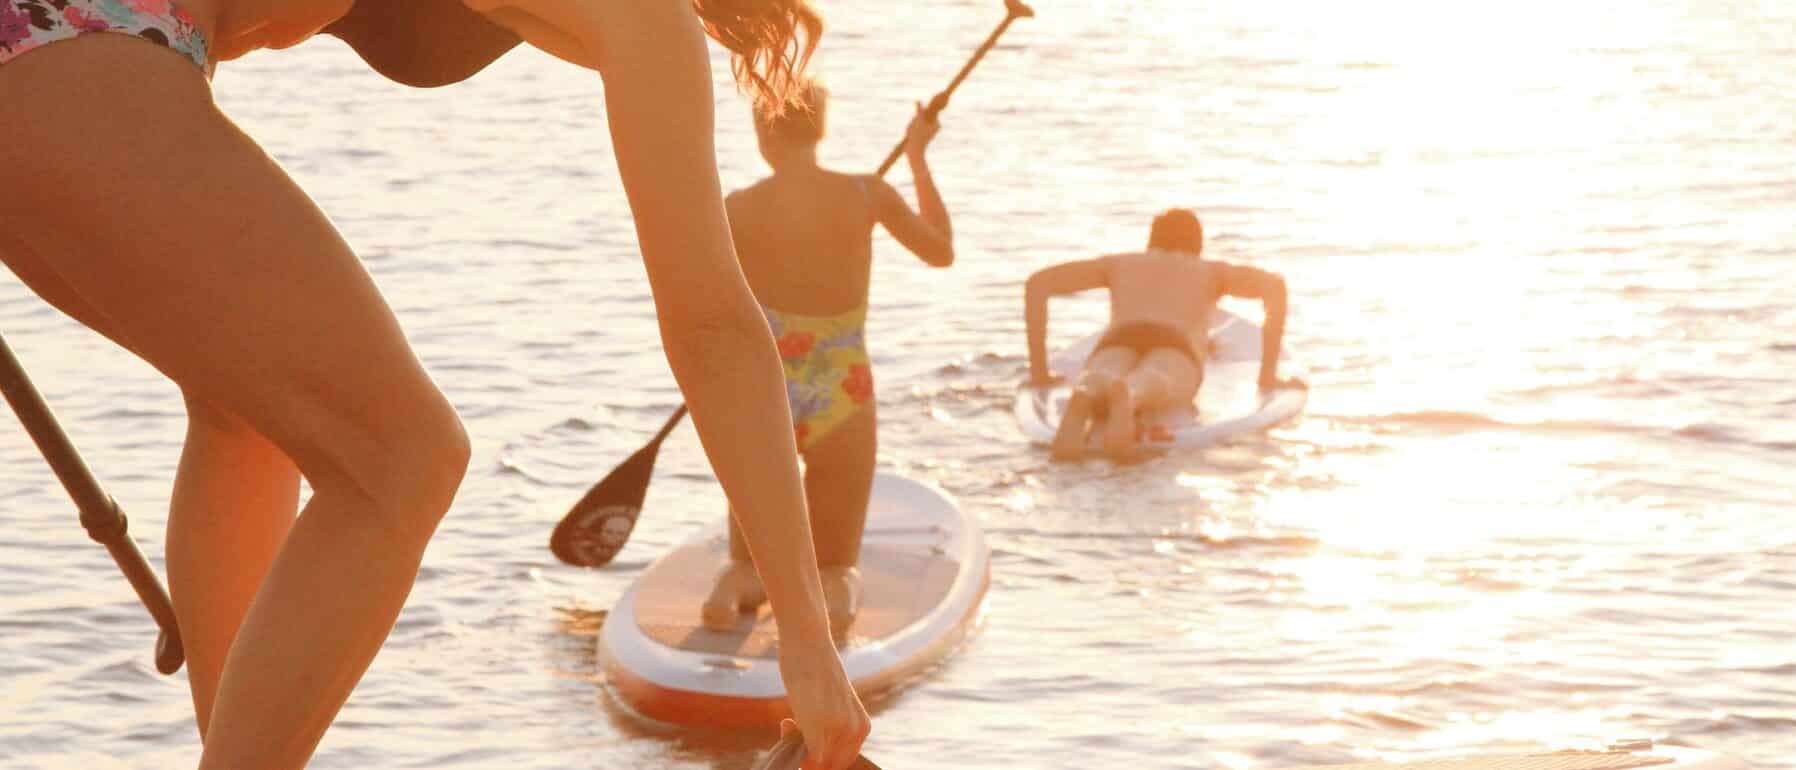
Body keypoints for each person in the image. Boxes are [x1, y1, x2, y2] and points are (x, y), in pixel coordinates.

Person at [0, 0, 869, 767]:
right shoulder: (641, 17)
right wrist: (806, 637)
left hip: (71, 51)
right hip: (80, 38)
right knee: (405, 455)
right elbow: (712, 327)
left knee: (253, 416)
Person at [701, 79, 954, 635]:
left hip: (762, 389)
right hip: (842, 389)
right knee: (837, 570)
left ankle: (735, 589)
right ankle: (833, 609)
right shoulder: (867, 194)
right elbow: (941, 251)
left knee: (749, 563)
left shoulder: (737, 208)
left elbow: (709, 304)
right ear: (820, 130)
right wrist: (916, 157)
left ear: (763, 135)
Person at [1024, 208, 1302, 461]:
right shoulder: (1210, 271)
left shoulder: (1119, 263)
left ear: (1151, 240)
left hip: (1119, 339)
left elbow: (1038, 284)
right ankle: (1131, 393)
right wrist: (1267, 376)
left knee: (1103, 372)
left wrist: (1039, 372)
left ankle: (1087, 392)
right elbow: (1275, 287)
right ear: (1198, 246)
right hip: (1174, 344)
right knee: (1158, 377)